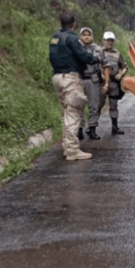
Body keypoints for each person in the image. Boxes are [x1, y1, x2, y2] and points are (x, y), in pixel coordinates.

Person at [49, 13, 99, 161]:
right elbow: (83, 55)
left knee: (67, 112)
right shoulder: (72, 38)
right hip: (70, 78)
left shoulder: (54, 38)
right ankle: (72, 151)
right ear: (74, 24)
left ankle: (67, 147)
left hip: (57, 77)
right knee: (73, 113)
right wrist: (95, 59)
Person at [77, 27, 104, 140]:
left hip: (93, 79)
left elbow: (104, 64)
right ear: (80, 37)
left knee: (94, 106)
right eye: (84, 35)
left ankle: (92, 129)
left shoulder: (98, 49)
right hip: (79, 79)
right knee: (78, 106)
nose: (87, 36)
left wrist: (105, 81)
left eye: (89, 34)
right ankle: (79, 129)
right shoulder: (76, 48)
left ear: (92, 36)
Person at [100, 31, 128, 135]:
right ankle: (92, 128)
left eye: (111, 40)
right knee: (98, 105)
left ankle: (115, 127)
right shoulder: (99, 52)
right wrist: (101, 76)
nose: (109, 42)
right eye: (107, 40)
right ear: (104, 41)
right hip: (101, 83)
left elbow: (124, 66)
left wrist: (121, 74)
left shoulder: (117, 54)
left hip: (114, 83)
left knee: (114, 105)